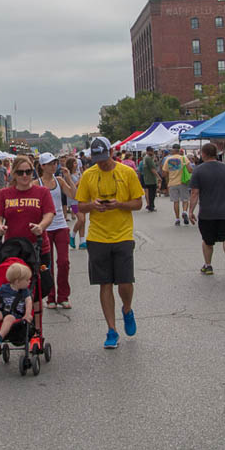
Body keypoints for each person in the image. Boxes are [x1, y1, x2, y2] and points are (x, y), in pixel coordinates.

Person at [75, 136, 143, 349]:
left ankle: (127, 309)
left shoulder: (127, 173)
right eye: (97, 159)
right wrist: (92, 205)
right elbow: (79, 206)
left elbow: (139, 203)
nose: (101, 163)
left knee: (124, 282)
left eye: (104, 158)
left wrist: (120, 204)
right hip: (97, 236)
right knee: (104, 283)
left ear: (112, 153)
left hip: (123, 235)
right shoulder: (88, 175)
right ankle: (112, 330)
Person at [0, 155, 55, 266]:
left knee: (42, 282)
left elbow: (49, 214)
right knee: (15, 282)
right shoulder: (4, 193)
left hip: (38, 246)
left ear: (33, 172)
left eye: (28, 172)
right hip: (13, 248)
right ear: (14, 174)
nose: (25, 175)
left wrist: (41, 226)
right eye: (20, 173)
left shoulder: (43, 192)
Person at [188, 142, 225, 278]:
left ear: (203, 154)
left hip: (207, 213)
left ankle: (208, 265)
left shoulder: (198, 170)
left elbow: (194, 193)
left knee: (207, 241)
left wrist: (190, 210)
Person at [37, 152, 78, 309]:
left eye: (55, 162)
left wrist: (68, 178)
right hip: (45, 227)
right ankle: (51, 297)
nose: (54, 165)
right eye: (50, 163)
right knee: (47, 265)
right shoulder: (37, 183)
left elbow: (73, 194)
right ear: (43, 166)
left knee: (63, 262)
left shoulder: (59, 180)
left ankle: (63, 296)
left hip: (61, 225)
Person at [0, 261, 33, 344]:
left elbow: (28, 302)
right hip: (3, 311)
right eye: (27, 280)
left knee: (8, 318)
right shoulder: (4, 288)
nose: (29, 282)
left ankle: (0, 336)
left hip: (16, 315)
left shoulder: (24, 291)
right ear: (17, 281)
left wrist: (27, 314)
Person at [162, 143, 191, 226]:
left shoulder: (168, 159)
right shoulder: (184, 158)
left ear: (172, 150)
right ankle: (185, 212)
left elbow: (164, 173)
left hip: (172, 183)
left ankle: (177, 219)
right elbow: (189, 169)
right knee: (185, 200)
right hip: (183, 182)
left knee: (175, 201)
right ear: (179, 150)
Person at [66, 157, 87, 250]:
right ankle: (72, 234)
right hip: (73, 201)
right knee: (81, 219)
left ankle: (82, 241)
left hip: (82, 199)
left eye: (76, 163)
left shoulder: (79, 173)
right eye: (74, 163)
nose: (76, 164)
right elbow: (71, 187)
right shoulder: (68, 175)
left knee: (84, 220)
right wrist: (80, 180)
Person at [140, 146, 161, 212]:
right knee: (152, 193)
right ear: (149, 151)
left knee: (150, 192)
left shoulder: (145, 158)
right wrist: (158, 177)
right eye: (152, 151)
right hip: (151, 178)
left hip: (147, 178)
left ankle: (150, 205)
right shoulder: (148, 158)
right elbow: (152, 169)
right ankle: (151, 206)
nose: (153, 153)